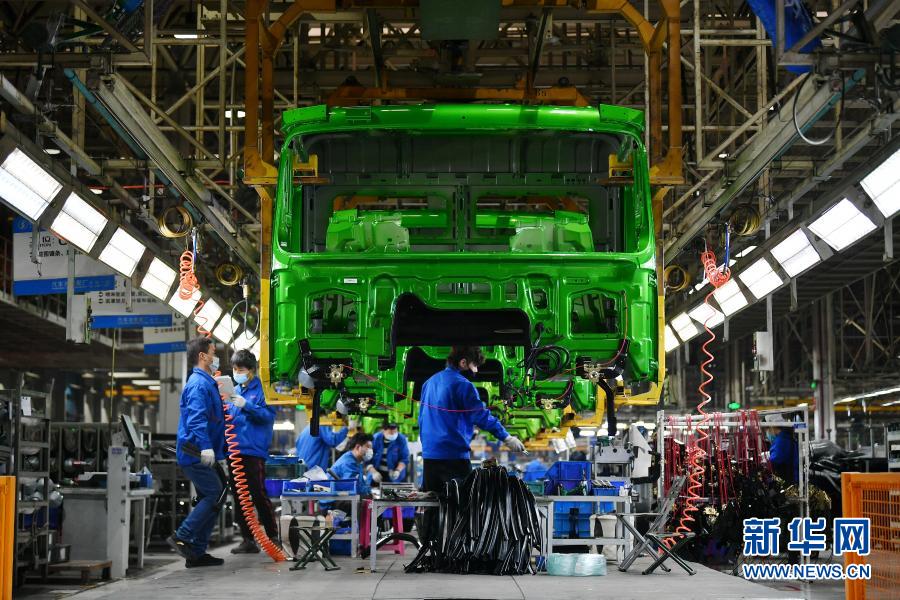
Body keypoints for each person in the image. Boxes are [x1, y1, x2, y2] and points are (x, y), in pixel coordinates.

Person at [418, 346, 524, 495]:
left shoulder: (428, 383)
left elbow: (421, 418)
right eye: (475, 365)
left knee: (432, 502)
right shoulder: (462, 384)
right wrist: (506, 437)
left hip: (430, 457)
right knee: (463, 504)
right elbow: (480, 415)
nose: (476, 370)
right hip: (454, 457)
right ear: (463, 363)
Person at [168, 337, 227, 568]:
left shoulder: (207, 383)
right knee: (214, 494)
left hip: (202, 451)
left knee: (214, 497)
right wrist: (205, 446)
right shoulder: (198, 385)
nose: (215, 357)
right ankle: (182, 536)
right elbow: (196, 419)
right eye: (213, 352)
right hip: (195, 451)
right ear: (203, 356)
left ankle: (196, 552)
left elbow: (213, 418)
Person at [225, 350, 279, 554]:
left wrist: (246, 405)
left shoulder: (264, 390)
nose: (236, 373)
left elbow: (268, 417)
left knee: (258, 494)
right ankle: (247, 540)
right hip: (234, 450)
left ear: (251, 370)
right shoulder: (233, 391)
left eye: (240, 369)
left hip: (254, 451)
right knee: (240, 497)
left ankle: (273, 536)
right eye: (234, 369)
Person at [321, 432, 373, 515]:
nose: (370, 450)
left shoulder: (356, 461)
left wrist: (368, 491)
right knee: (367, 504)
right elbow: (352, 488)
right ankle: (350, 522)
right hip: (331, 504)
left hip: (339, 499)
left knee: (368, 499)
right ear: (358, 447)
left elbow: (360, 484)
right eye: (368, 447)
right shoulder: (349, 463)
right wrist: (368, 493)